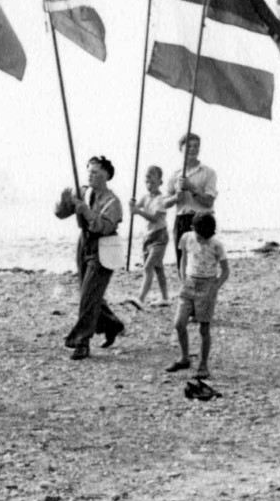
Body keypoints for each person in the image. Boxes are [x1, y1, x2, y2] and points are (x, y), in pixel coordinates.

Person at [53, 156, 126, 360]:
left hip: (103, 246)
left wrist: (85, 210)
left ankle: (81, 342)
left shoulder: (113, 202)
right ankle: (111, 324)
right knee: (89, 293)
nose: (90, 176)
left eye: (95, 172)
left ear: (107, 175)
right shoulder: (83, 192)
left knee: (88, 296)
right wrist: (64, 200)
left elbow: (103, 226)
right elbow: (60, 214)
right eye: (89, 172)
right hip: (84, 242)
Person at [165, 212, 230, 380]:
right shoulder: (187, 237)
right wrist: (182, 277)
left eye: (205, 237)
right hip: (188, 284)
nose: (201, 240)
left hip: (207, 285)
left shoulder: (216, 245)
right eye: (199, 236)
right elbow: (183, 259)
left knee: (204, 328)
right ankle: (184, 357)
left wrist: (214, 287)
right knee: (179, 324)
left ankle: (203, 364)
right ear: (192, 228)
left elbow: (225, 271)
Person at [161, 133, 218, 269]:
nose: (193, 149)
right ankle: (185, 289)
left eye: (196, 146)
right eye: (189, 146)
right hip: (181, 219)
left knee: (203, 261)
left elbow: (209, 201)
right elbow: (163, 203)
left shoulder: (208, 172)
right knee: (182, 260)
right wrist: (176, 197)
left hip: (202, 220)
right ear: (181, 149)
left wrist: (191, 187)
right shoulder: (175, 175)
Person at [128, 165, 171, 309]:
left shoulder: (162, 199)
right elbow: (136, 206)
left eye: (152, 182)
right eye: (147, 182)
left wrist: (137, 212)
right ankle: (165, 297)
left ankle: (140, 299)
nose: (149, 185)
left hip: (160, 236)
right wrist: (132, 205)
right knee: (158, 269)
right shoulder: (145, 197)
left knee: (148, 267)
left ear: (160, 182)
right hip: (148, 237)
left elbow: (154, 218)